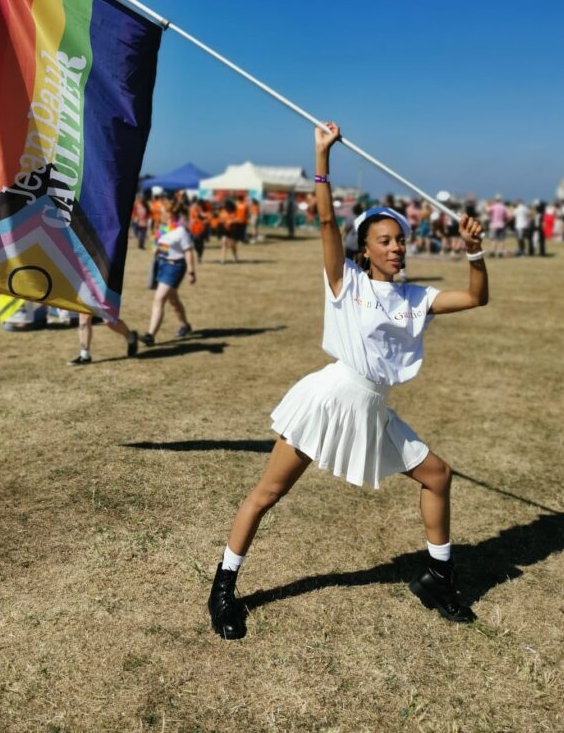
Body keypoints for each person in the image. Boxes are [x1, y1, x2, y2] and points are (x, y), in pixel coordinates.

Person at [207, 123, 489, 639]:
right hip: (330, 399)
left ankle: (439, 578)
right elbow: (325, 223)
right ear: (365, 249)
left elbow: (475, 298)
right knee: (267, 495)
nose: (397, 247)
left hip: (375, 409)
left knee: (437, 476)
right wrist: (321, 158)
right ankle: (223, 585)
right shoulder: (346, 282)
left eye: (401, 239)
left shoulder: (414, 299)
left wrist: (474, 252)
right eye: (385, 240)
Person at [139, 206, 196, 345]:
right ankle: (185, 325)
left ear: (171, 215)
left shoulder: (180, 231)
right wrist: (156, 249)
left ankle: (150, 335)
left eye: (163, 213)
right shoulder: (163, 229)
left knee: (159, 299)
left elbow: (188, 251)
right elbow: (157, 245)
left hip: (175, 267)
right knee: (173, 300)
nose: (161, 215)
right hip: (162, 265)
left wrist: (191, 272)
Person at [68, 312, 139, 365]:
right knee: (84, 315)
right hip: (87, 292)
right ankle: (84, 355)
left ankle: (131, 336)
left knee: (108, 319)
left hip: (106, 292)